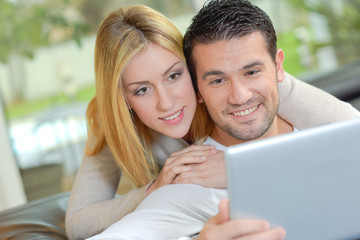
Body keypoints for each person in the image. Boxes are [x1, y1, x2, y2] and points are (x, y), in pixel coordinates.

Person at [84, 1, 360, 240]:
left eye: (251, 72)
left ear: (278, 67)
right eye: (217, 80)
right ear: (199, 87)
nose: (240, 96)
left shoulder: (318, 123)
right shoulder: (191, 181)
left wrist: (243, 171)